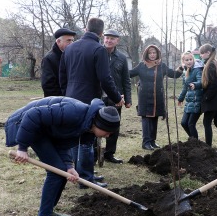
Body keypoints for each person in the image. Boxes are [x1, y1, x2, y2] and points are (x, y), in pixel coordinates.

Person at [6, 97, 120, 216]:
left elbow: (63, 143)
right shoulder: (74, 112)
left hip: (46, 131)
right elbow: (33, 115)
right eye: (107, 132)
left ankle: (48, 211)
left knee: (62, 172)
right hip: (27, 123)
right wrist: (22, 148)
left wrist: (69, 166)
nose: (108, 136)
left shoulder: (88, 130)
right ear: (99, 125)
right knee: (56, 172)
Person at [59, 17, 124, 188]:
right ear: (101, 33)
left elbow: (62, 77)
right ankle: (86, 179)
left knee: (75, 140)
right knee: (87, 141)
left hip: (70, 99)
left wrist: (67, 95)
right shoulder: (99, 50)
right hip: (89, 101)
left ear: (85, 28)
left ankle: (79, 174)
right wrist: (117, 98)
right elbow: (105, 78)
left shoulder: (70, 48)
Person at [129, 44, 183, 150]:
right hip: (144, 97)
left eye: (154, 53)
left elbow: (174, 74)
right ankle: (146, 142)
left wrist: (181, 68)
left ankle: (152, 141)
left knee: (154, 118)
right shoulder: (141, 66)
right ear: (146, 54)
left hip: (157, 97)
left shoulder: (161, 66)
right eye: (150, 53)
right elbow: (129, 74)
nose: (152, 55)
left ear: (157, 54)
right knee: (146, 119)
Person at [102, 29, 132, 164]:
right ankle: (93, 154)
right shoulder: (97, 53)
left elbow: (126, 79)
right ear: (103, 38)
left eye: (112, 39)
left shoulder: (121, 58)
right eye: (107, 38)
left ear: (117, 41)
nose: (109, 40)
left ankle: (109, 154)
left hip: (116, 97)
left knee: (114, 125)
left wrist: (128, 100)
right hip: (97, 95)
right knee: (93, 124)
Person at [41, 28, 76, 97]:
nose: (71, 43)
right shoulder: (49, 59)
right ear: (58, 41)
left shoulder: (72, 56)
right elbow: (48, 85)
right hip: (57, 102)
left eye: (72, 40)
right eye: (68, 40)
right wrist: (62, 99)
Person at [177, 51, 203, 139]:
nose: (189, 61)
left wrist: (195, 84)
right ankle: (193, 140)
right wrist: (180, 98)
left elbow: (201, 81)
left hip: (197, 101)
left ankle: (196, 143)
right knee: (184, 123)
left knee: (191, 124)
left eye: (190, 59)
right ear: (183, 61)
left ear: (193, 60)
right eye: (187, 60)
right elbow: (185, 87)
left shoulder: (198, 70)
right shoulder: (186, 72)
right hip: (189, 102)